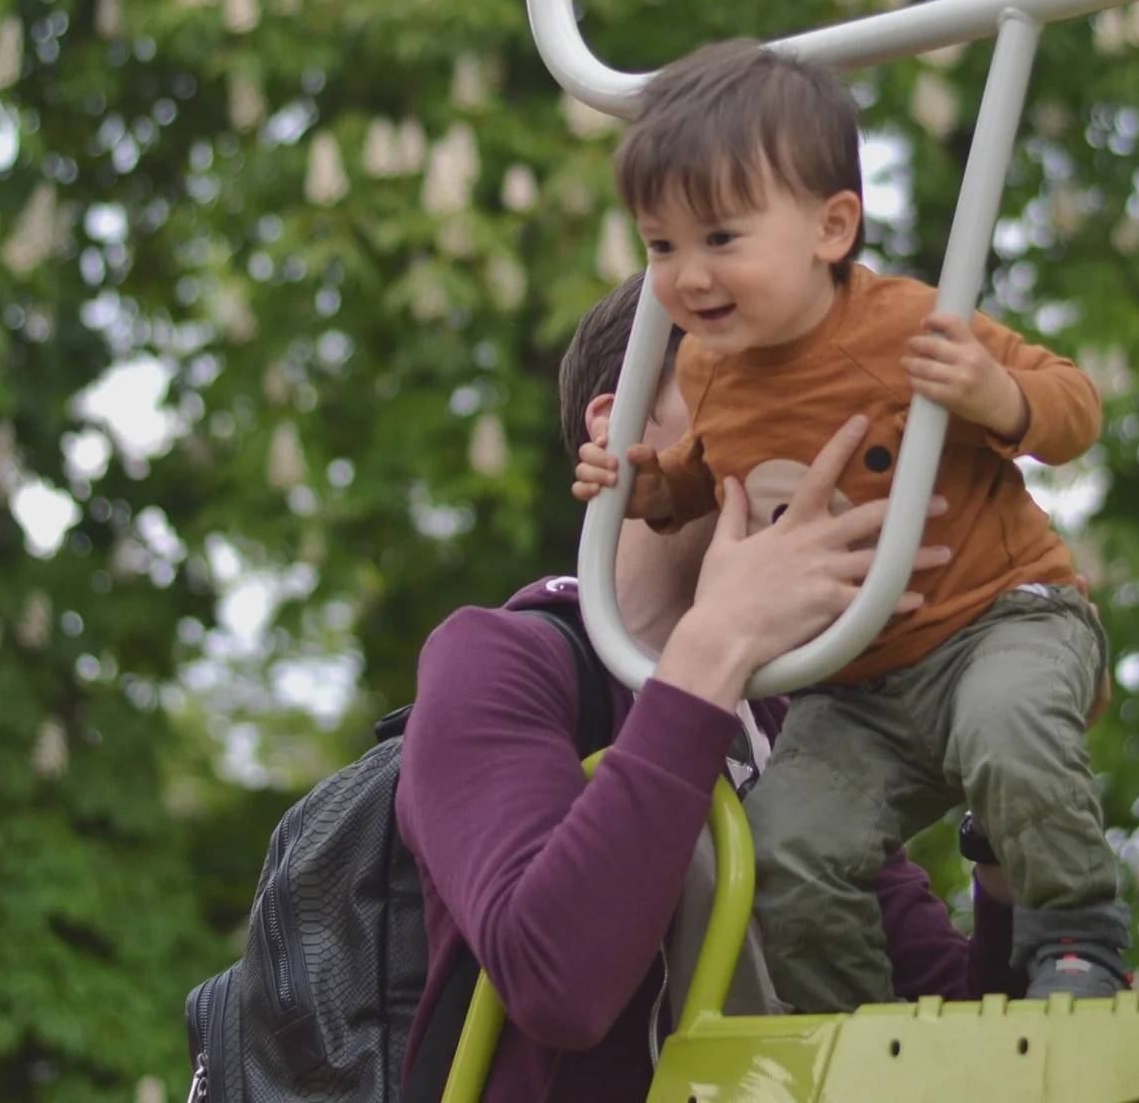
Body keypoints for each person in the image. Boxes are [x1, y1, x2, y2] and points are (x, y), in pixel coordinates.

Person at [571, 40, 1128, 1009]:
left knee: (1007, 731)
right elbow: (708, 475)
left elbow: (1073, 404)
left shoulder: (904, 325)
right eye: (662, 246)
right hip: (857, 682)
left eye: (721, 239)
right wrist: (650, 488)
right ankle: (858, 1032)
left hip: (999, 622)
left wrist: (995, 396)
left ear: (831, 228)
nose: (688, 277)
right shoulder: (705, 370)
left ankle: (1076, 939)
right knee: (787, 843)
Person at [396, 277, 1022, 1103]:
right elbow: (558, 982)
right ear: (622, 433)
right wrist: (720, 642)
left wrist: (1014, 825)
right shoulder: (500, 661)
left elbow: (971, 1044)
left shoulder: (800, 724)